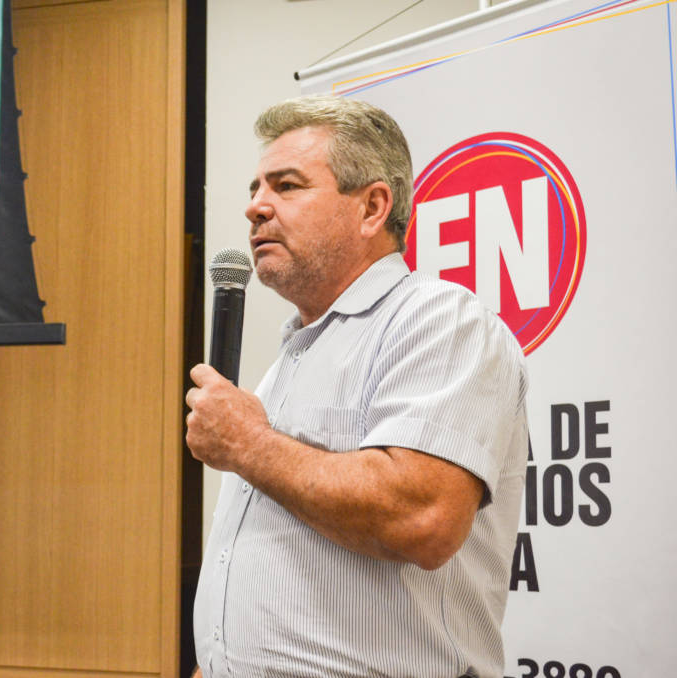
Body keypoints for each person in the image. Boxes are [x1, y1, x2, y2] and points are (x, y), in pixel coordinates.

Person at [185, 95, 529, 678]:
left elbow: (422, 517)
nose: (255, 207)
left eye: (286, 186)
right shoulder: (293, 354)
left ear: (372, 208)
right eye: (255, 188)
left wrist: (249, 444)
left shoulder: (439, 321)